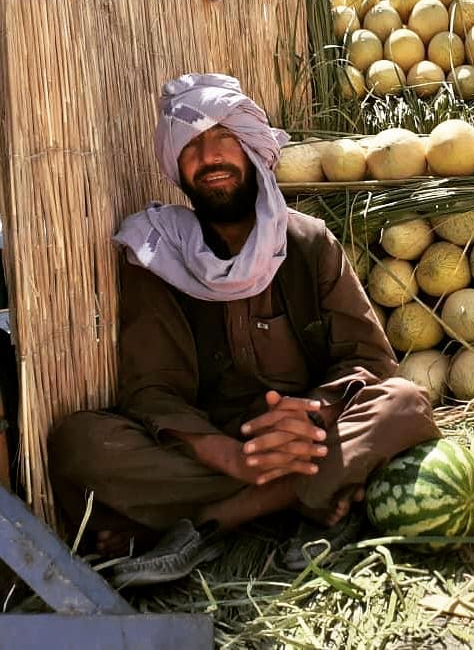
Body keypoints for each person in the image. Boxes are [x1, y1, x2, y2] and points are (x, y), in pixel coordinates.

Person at [47, 73, 440, 585]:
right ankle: (311, 496)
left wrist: (310, 416)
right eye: (190, 146)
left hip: (310, 434)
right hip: (211, 448)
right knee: (78, 442)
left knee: (404, 402)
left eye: (224, 138)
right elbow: (153, 390)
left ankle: (210, 525)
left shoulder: (308, 243)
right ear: (176, 166)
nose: (209, 156)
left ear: (252, 148)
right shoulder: (155, 255)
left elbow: (368, 360)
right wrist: (234, 457)